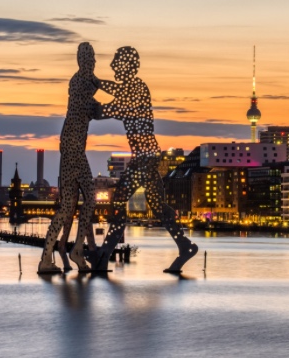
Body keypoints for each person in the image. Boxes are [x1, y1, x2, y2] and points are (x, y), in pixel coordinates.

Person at [90, 46, 198, 273]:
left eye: (117, 62)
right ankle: (184, 246)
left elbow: (111, 109)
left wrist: (91, 103)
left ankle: (104, 254)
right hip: (148, 156)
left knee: (119, 200)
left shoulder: (136, 89)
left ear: (128, 66)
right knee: (157, 206)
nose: (113, 66)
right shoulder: (131, 88)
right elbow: (115, 91)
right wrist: (96, 82)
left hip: (144, 158)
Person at [38, 42, 101, 274]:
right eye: (88, 59)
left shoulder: (82, 82)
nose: (92, 63)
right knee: (86, 200)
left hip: (71, 149)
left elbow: (98, 90)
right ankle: (74, 251)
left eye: (93, 59)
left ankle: (49, 257)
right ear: (80, 61)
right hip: (73, 150)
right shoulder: (80, 84)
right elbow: (98, 109)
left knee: (68, 207)